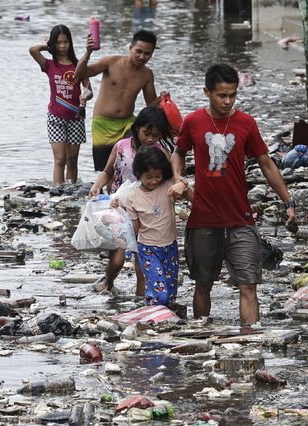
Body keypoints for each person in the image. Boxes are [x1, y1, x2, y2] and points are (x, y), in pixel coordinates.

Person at [169, 63, 297, 325]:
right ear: (207, 92)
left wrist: (289, 201)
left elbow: (266, 163)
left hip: (240, 217)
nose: (228, 101)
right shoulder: (193, 121)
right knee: (203, 284)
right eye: (222, 95)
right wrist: (177, 177)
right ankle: (201, 338)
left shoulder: (246, 123)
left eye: (233, 95)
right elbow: (178, 152)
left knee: (248, 285)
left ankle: (250, 342)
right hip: (204, 217)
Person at [88, 107, 172, 294]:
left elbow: (169, 179)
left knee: (141, 262)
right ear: (137, 128)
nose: (150, 139)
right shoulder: (121, 147)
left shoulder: (160, 152)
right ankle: (108, 282)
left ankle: (141, 300)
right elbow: (108, 171)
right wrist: (96, 186)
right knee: (117, 260)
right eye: (146, 133)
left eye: (156, 135)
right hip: (119, 209)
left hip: (146, 213)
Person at [75, 29, 166, 172]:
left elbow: (150, 106)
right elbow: (79, 74)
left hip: (127, 124)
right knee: (105, 169)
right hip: (102, 124)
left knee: (132, 158)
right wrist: (88, 52)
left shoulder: (147, 74)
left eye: (147, 53)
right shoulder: (111, 62)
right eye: (138, 51)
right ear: (130, 48)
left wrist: (162, 98)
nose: (142, 57)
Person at [125, 146, 192, 306]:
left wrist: (183, 185)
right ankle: (154, 317)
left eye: (158, 176)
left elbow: (194, 199)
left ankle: (164, 322)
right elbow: (134, 229)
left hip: (170, 247)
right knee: (159, 293)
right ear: (138, 174)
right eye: (149, 177)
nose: (154, 181)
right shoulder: (133, 197)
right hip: (147, 249)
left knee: (170, 292)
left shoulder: (168, 185)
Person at [30, 24, 92, 185]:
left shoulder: (78, 65)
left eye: (65, 42)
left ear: (70, 43)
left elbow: (88, 89)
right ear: (53, 44)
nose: (62, 46)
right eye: (58, 43)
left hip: (76, 118)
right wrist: (46, 46)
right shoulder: (49, 65)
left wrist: (85, 96)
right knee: (60, 159)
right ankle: (58, 191)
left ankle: (71, 190)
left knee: (72, 160)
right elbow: (33, 50)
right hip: (55, 117)